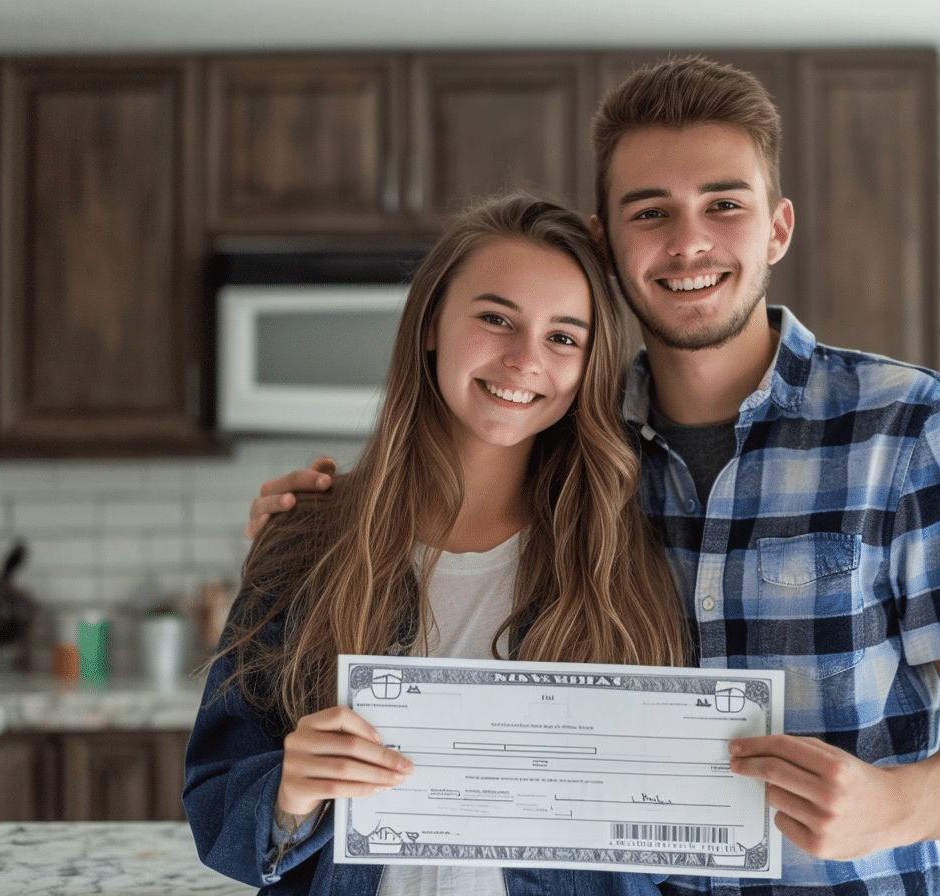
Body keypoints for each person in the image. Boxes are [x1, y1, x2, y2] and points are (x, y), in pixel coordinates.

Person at [249, 56, 940, 896]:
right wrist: (316, 523)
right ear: (606, 241)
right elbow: (447, 519)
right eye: (652, 212)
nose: (689, 242)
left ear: (776, 228)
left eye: (724, 205)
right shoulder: (574, 442)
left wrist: (899, 805)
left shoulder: (905, 422)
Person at [186, 193, 688, 896]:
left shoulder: (622, 553)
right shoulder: (305, 539)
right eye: (495, 319)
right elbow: (218, 805)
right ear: (431, 326)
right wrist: (289, 794)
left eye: (564, 337)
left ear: (587, 367)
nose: (524, 360)